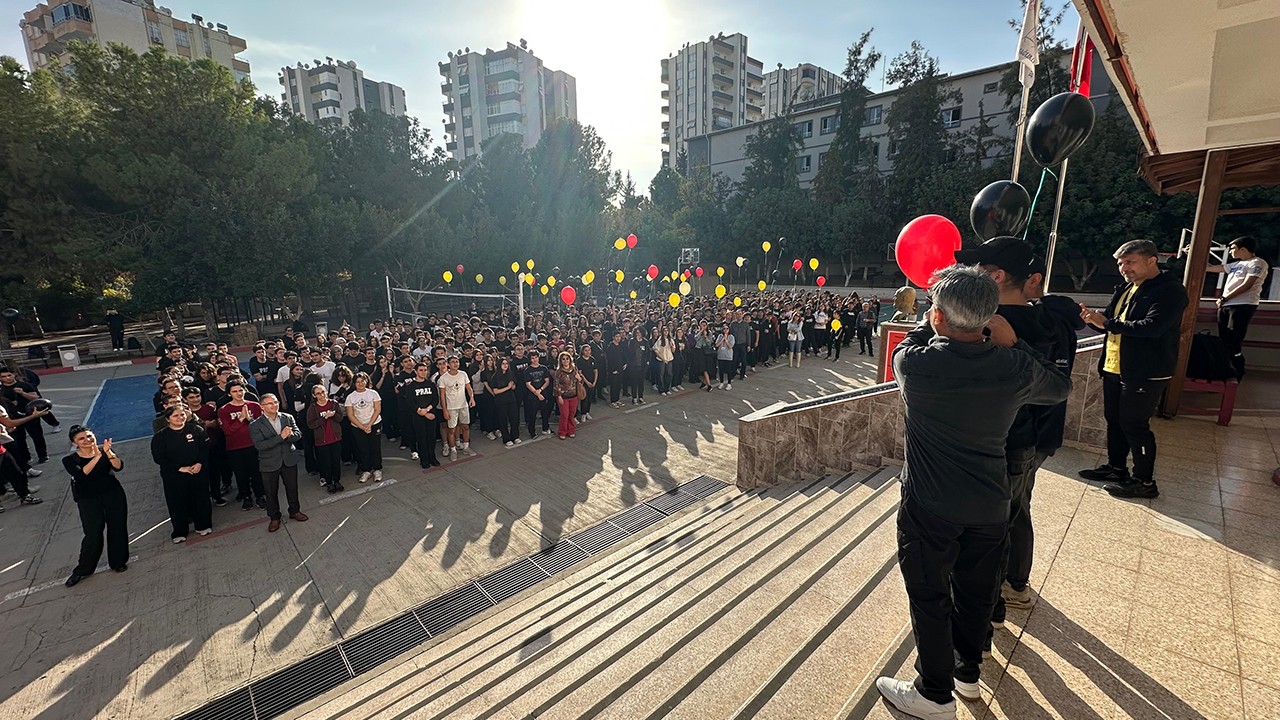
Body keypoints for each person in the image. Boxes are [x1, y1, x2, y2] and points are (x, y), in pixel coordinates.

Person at [876, 265, 1071, 718]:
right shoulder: (1014, 367)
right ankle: (968, 672)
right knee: (975, 593)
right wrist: (1012, 341)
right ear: (990, 317)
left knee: (930, 595)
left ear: (938, 317)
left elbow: (907, 343)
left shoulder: (917, 366)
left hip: (929, 506)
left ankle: (934, 692)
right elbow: (1059, 386)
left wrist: (929, 323)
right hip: (990, 504)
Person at [1079, 239, 1188, 500]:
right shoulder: (1128, 288)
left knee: (1134, 424)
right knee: (1114, 420)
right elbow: (1111, 323)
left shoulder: (1170, 290)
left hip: (1145, 370)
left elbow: (1153, 327)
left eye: (1130, 262)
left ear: (1152, 260)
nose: (1123, 268)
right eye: (1120, 263)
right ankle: (1117, 468)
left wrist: (1109, 323)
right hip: (1115, 366)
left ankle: (1144, 481)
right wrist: (1095, 321)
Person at [63, 425, 127, 586]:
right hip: (88, 499)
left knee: (117, 527)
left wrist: (109, 452)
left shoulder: (104, 451)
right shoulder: (70, 460)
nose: (87, 440)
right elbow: (81, 474)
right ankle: (83, 569)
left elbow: (118, 467)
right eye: (81, 438)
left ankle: (118, 562)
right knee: (92, 533)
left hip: (113, 494)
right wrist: (98, 455)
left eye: (89, 436)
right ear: (74, 442)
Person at [1207, 235, 1269, 377]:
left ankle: (1236, 371)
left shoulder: (1257, 263)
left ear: (1243, 249)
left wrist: (1225, 297)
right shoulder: (1235, 265)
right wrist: (1193, 253)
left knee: (1234, 339)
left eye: (1233, 248)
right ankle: (1223, 369)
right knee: (1224, 339)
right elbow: (1209, 268)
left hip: (1243, 304)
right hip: (1226, 304)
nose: (1230, 252)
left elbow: (1247, 284)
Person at [150, 404, 213, 543]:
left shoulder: (196, 430)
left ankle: (203, 525)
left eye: (182, 415)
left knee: (201, 499)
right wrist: (179, 468)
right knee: (177, 502)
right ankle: (180, 531)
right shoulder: (161, 437)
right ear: (168, 419)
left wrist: (199, 463)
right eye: (176, 416)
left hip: (197, 471)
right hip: (174, 476)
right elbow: (159, 458)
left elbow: (205, 448)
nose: (180, 418)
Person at [250, 394, 308, 532]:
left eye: (275, 402)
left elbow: (298, 434)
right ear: (262, 407)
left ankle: (295, 511)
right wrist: (280, 437)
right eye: (270, 403)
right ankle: (274, 517)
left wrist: (290, 436)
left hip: (288, 459)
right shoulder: (255, 424)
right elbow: (260, 445)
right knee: (271, 492)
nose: (274, 405)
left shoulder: (287, 417)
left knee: (292, 488)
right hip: (269, 462)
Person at [216, 381, 266, 510]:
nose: (238, 393)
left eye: (240, 390)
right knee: (240, 474)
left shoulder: (254, 406)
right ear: (229, 394)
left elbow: (263, 426)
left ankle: (260, 496)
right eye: (234, 391)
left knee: (256, 472)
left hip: (253, 445)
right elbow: (227, 431)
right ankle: (246, 497)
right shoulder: (223, 410)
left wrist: (250, 420)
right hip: (235, 448)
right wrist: (240, 419)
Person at [0, 401, 46, 509]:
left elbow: (8, 423)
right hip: (4, 444)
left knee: (16, 471)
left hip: (2, 449)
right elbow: (10, 423)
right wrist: (33, 416)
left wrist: (5, 427)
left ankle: (24, 495)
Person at [344, 372, 383, 483]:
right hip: (358, 426)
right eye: (358, 382)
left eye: (362, 381)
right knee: (363, 448)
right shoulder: (350, 397)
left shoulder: (373, 393)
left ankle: (377, 469)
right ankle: (366, 470)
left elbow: (377, 409)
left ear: (366, 381)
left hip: (375, 424)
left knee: (375, 447)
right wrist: (362, 426)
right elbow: (350, 415)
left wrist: (369, 425)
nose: (360, 384)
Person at [306, 384, 345, 493]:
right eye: (318, 393)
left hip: (335, 438)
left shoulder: (333, 404)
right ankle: (328, 482)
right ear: (314, 395)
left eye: (323, 392)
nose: (321, 395)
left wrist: (333, 415)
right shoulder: (313, 408)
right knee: (325, 462)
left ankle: (337, 480)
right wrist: (324, 418)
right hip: (322, 440)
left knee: (336, 461)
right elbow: (310, 424)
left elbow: (340, 417)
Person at [403, 361, 441, 467]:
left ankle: (432, 457)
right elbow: (410, 402)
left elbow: (435, 399)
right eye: (421, 370)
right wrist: (422, 412)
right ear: (415, 371)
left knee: (431, 438)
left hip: (431, 415)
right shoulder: (411, 386)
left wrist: (428, 410)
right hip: (418, 417)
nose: (423, 372)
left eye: (425, 370)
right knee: (421, 438)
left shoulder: (431, 384)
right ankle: (424, 460)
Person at [438, 355, 477, 459]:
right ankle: (453, 449)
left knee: (465, 427)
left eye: (457, 361)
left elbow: (469, 388)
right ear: (448, 364)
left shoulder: (463, 374)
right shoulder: (443, 378)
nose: (455, 364)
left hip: (463, 405)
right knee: (452, 430)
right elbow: (442, 396)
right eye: (453, 362)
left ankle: (466, 447)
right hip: (451, 408)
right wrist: (445, 410)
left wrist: (471, 398)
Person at [488, 356, 521, 446]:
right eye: (503, 363)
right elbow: (495, 391)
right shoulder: (495, 377)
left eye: (507, 363)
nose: (505, 365)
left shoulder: (510, 373)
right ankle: (506, 439)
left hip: (511, 399)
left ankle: (515, 436)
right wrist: (507, 387)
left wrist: (512, 386)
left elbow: (514, 386)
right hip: (501, 400)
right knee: (503, 420)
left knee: (514, 419)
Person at [553, 351, 584, 439]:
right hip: (563, 397)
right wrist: (559, 396)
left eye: (567, 359)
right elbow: (556, 385)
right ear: (560, 361)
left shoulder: (574, 369)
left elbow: (579, 381)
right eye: (563, 359)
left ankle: (571, 430)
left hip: (574, 396)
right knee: (564, 415)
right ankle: (562, 431)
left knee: (571, 414)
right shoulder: (558, 372)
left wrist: (579, 378)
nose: (565, 361)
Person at [523, 350, 553, 435]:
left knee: (545, 413)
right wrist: (537, 393)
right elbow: (528, 384)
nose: (535, 359)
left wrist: (541, 390)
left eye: (536, 357)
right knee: (532, 414)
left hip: (543, 394)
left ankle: (545, 428)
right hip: (532, 396)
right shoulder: (527, 370)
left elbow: (547, 381)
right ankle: (532, 432)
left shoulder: (544, 368)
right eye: (532, 358)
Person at [715, 323, 736, 390]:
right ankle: (721, 382)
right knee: (721, 370)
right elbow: (717, 345)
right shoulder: (720, 336)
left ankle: (729, 384)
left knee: (728, 370)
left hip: (728, 356)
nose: (725, 330)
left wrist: (726, 340)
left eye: (727, 328)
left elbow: (730, 346)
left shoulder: (731, 337)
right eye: (724, 328)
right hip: (720, 355)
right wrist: (722, 339)